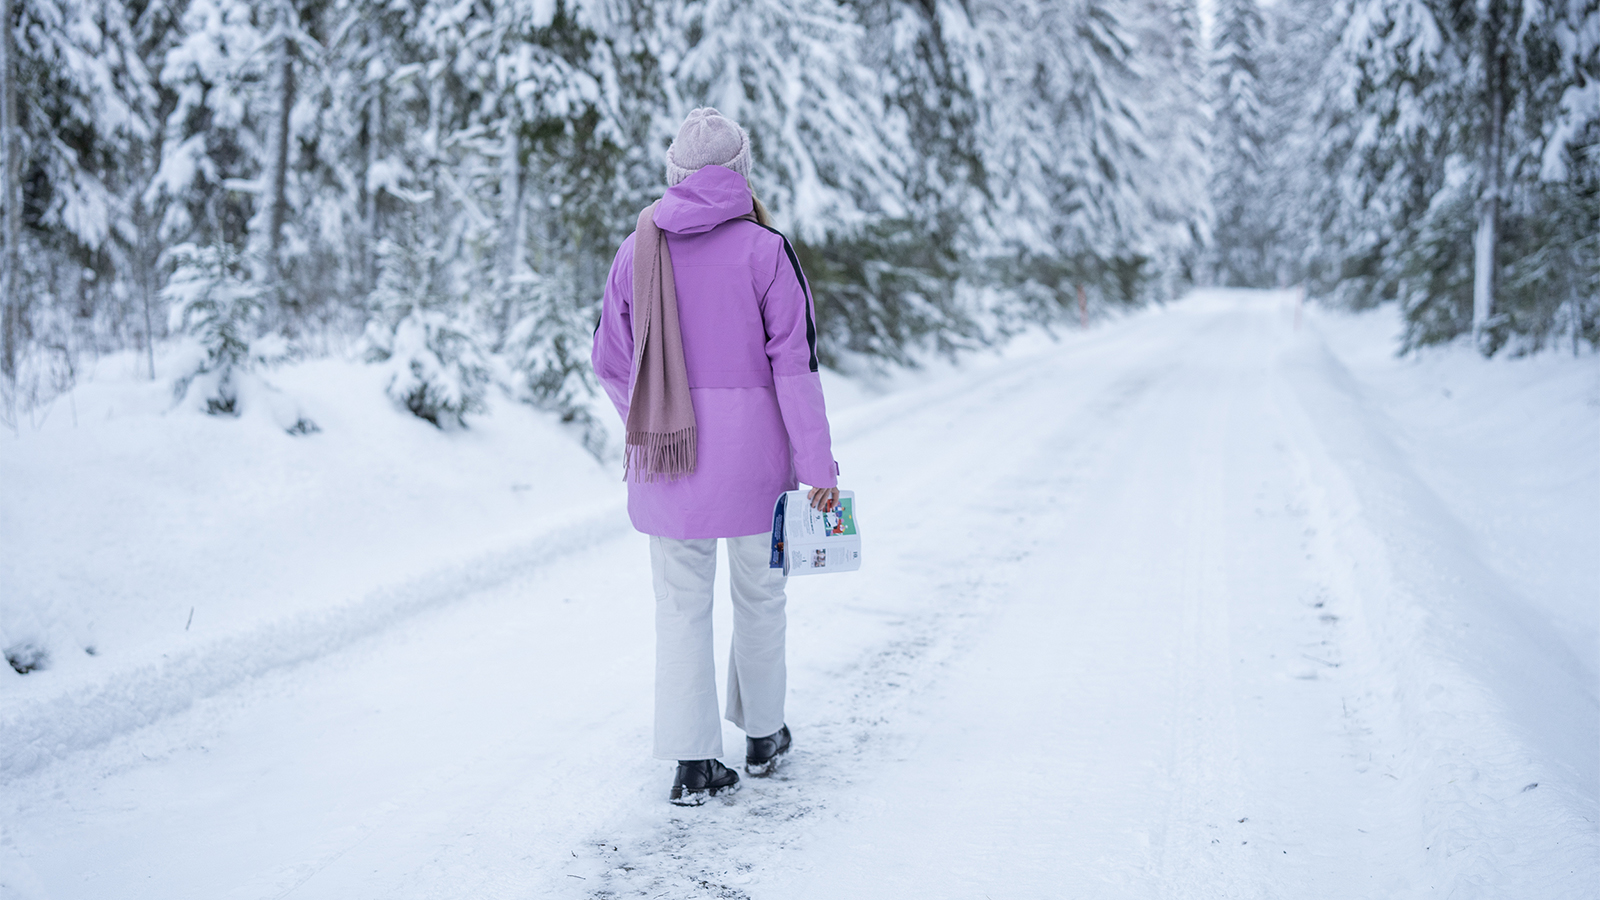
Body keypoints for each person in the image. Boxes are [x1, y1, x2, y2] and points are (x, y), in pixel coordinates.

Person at [590, 108, 841, 806]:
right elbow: (796, 369)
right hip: (756, 466)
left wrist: (651, 424)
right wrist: (818, 468)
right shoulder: (767, 251)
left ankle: (693, 763)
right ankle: (763, 736)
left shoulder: (634, 251)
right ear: (740, 173)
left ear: (674, 172)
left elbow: (609, 362)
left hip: (668, 465)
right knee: (762, 598)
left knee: (679, 606)